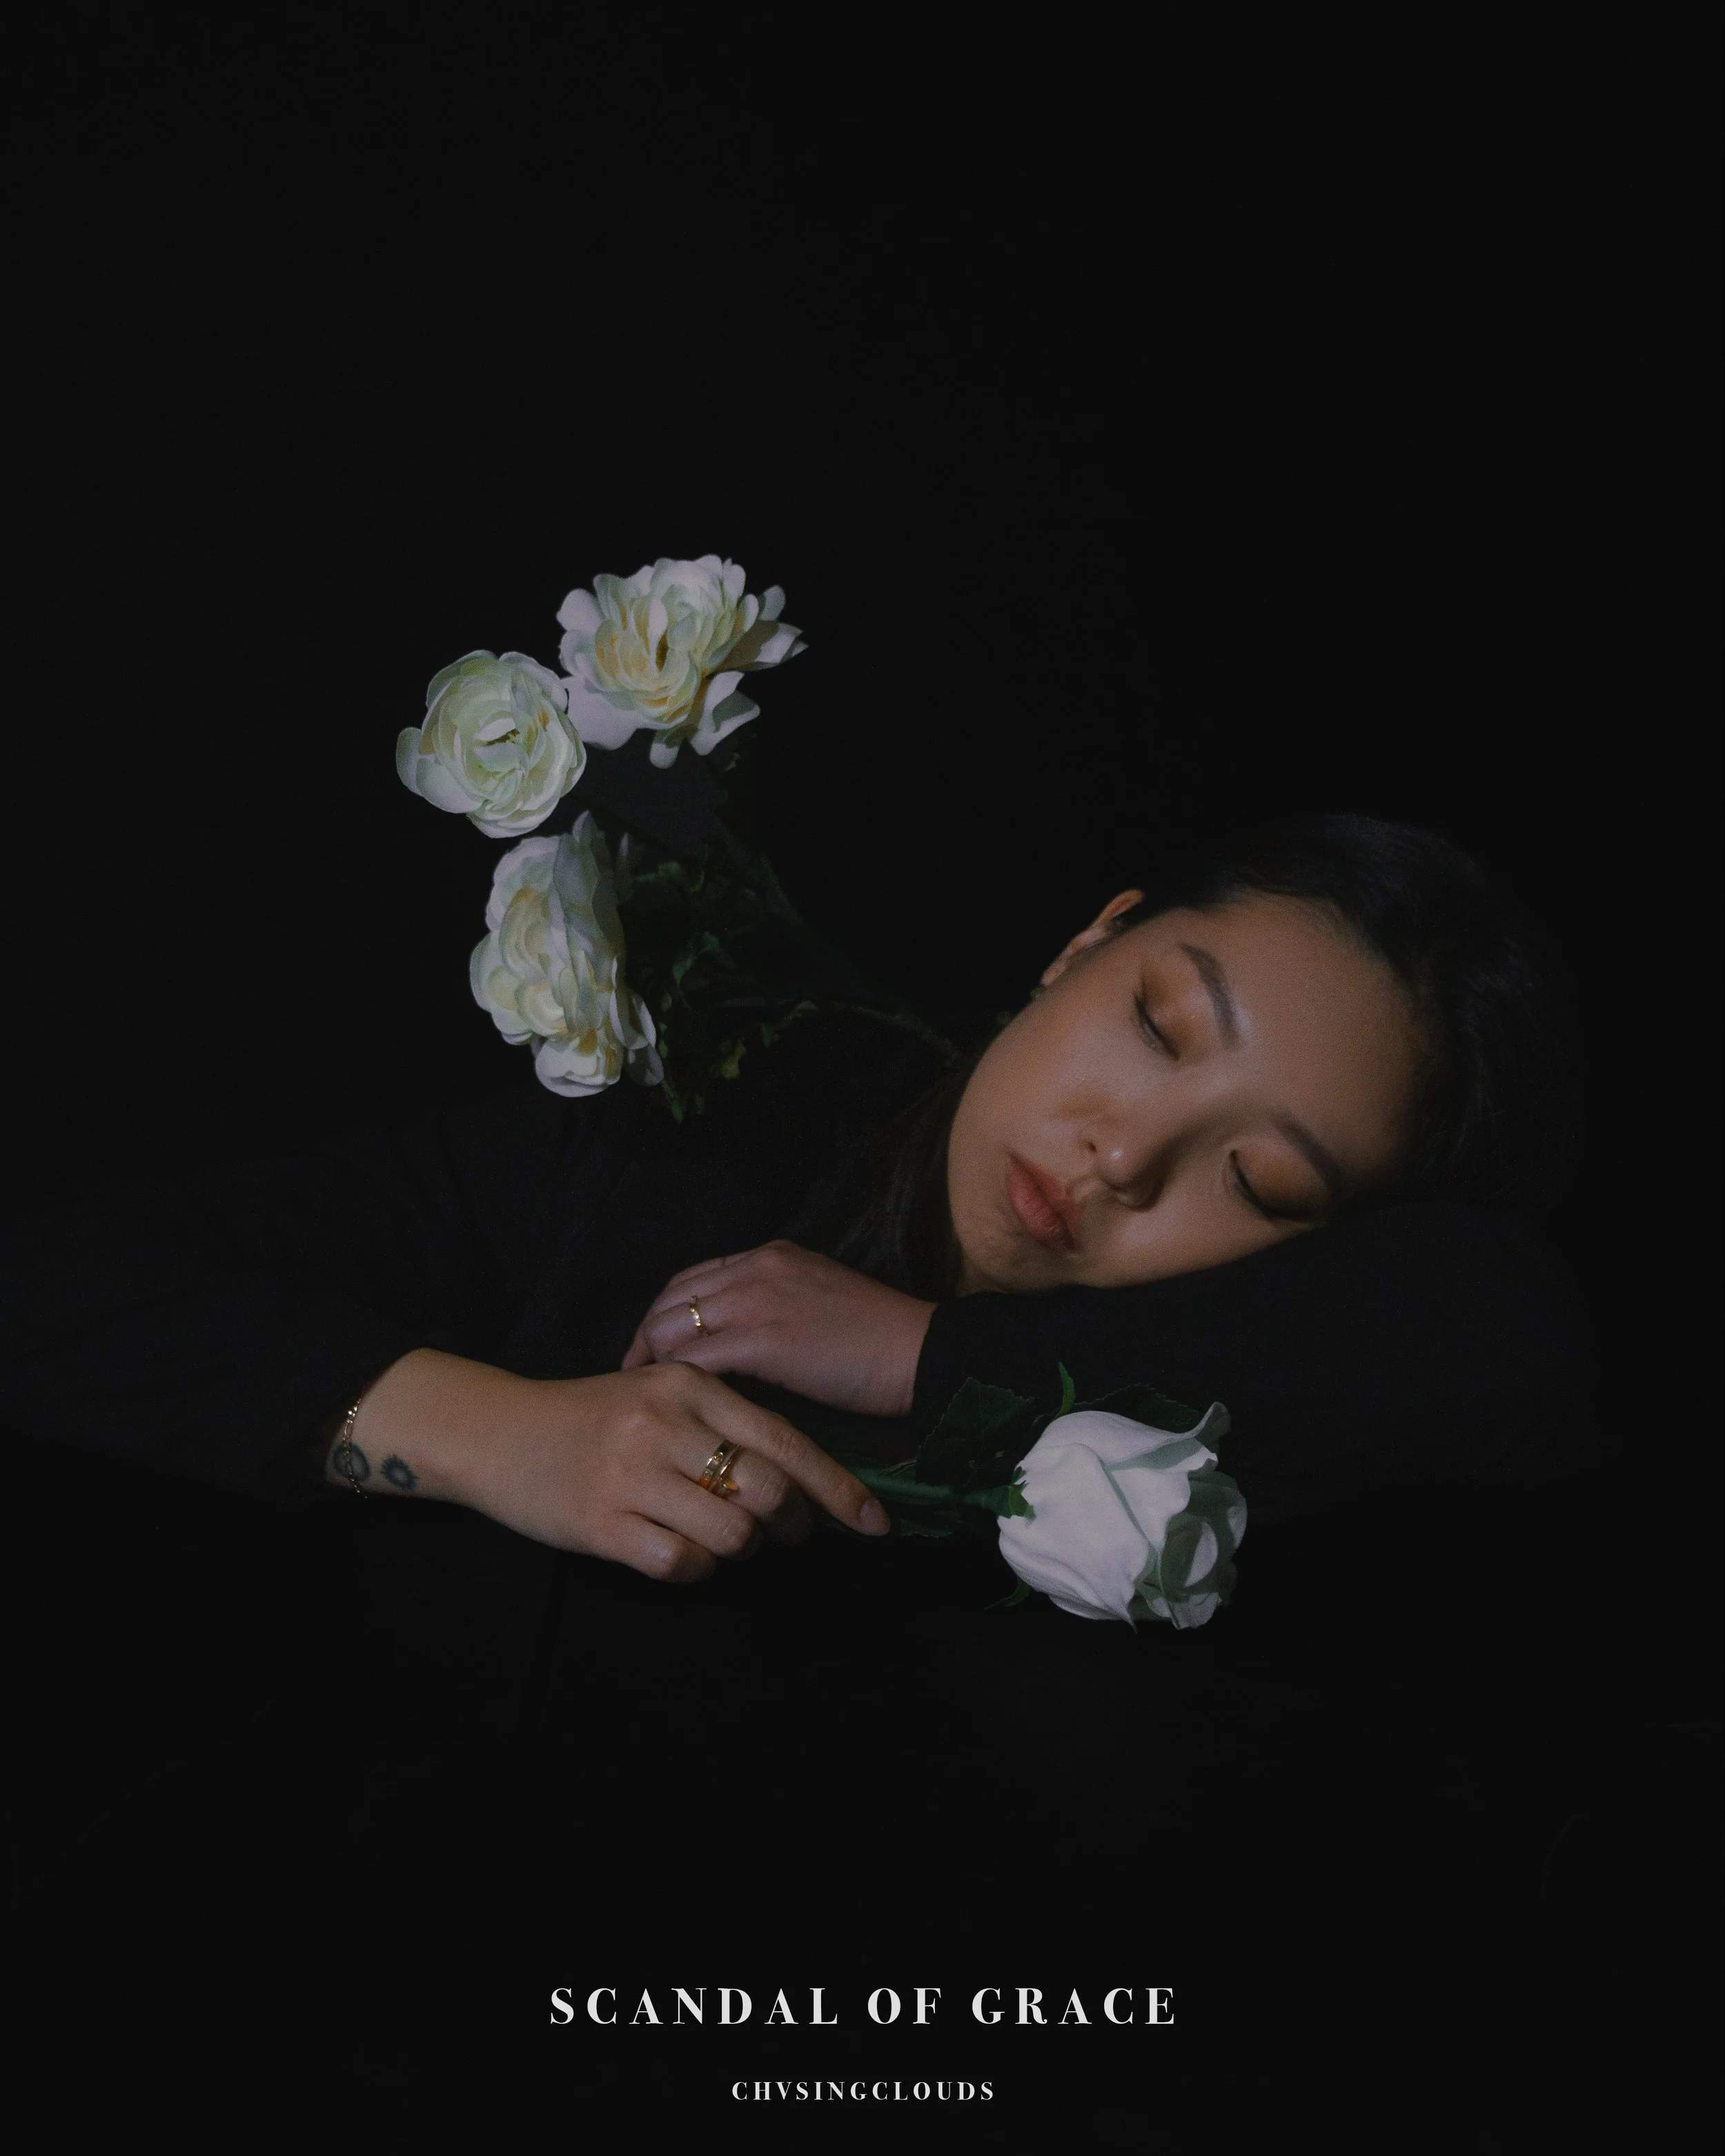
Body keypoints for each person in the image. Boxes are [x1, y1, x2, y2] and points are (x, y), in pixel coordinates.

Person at [0, 814, 1595, 1585]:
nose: (1119, 1156)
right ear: (1083, 942)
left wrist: (921, 1354)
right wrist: (496, 1427)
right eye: (1153, 1024)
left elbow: (1509, 1348)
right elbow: (63, 1278)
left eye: (1250, 1180)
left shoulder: (1311, 1383)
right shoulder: (678, 1141)